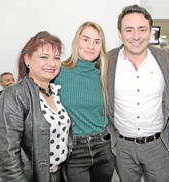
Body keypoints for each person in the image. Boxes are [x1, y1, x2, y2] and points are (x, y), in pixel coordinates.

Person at [0, 31, 73, 182]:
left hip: (58, 174)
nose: (52, 63)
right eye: (44, 57)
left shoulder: (54, 92)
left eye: (56, 58)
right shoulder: (15, 94)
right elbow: (6, 156)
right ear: (28, 60)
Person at [106, 4, 169, 182]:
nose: (136, 36)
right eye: (129, 30)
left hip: (158, 145)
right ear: (120, 34)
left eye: (142, 29)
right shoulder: (106, 62)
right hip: (122, 147)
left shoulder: (166, 59)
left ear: (151, 32)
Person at [54, 22, 115, 182]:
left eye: (97, 42)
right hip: (74, 150)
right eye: (86, 40)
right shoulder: (58, 71)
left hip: (103, 146)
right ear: (76, 42)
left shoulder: (103, 74)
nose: (91, 46)